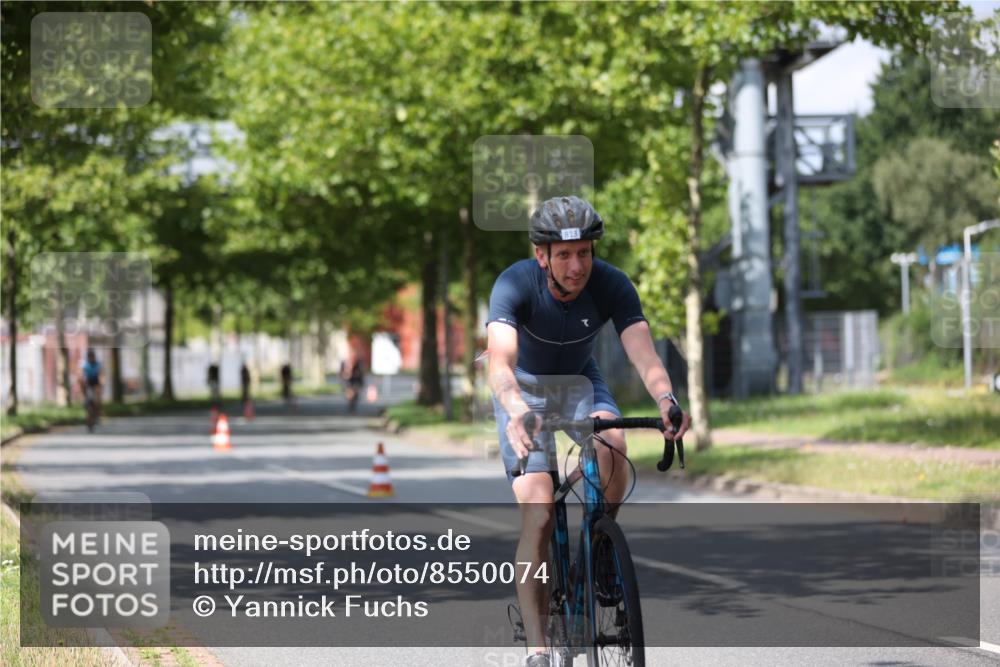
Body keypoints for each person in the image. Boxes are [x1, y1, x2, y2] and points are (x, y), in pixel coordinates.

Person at [486, 195, 690, 666]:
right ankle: (538, 647)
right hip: (526, 391)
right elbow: (500, 363)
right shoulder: (515, 283)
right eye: (564, 255)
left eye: (584, 253)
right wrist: (516, 409)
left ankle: (601, 543)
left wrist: (667, 400)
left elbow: (643, 353)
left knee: (613, 443)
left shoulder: (611, 284)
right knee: (538, 511)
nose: (577, 266)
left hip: (581, 381)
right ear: (543, 256)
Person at [78, 348, 103, 422]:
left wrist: (102, 381)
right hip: (88, 381)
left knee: (98, 395)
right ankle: (85, 399)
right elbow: (80, 373)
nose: (91, 358)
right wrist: (81, 380)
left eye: (92, 357)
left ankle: (98, 409)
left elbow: (101, 374)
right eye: (89, 357)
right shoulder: (84, 364)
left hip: (96, 381)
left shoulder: (98, 364)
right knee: (82, 384)